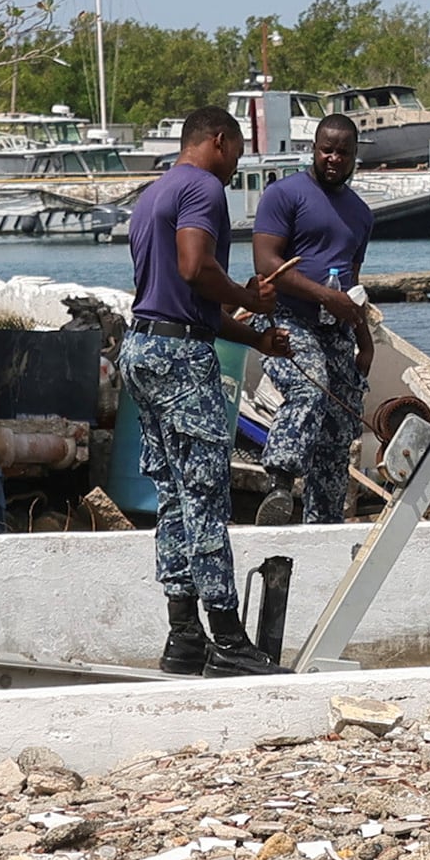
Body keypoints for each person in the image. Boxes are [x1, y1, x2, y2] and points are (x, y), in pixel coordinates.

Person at [122, 104, 293, 676]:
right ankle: (227, 639)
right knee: (205, 497)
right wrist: (252, 299)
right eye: (238, 152)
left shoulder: (151, 196)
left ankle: (183, 637)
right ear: (218, 141)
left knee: (171, 498)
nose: (236, 166)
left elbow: (180, 301)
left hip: (144, 349)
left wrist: (253, 336)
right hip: (179, 361)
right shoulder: (202, 188)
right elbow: (196, 269)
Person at [244, 111, 385, 522]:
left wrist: (365, 338)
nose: (334, 159)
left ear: (355, 155)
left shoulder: (361, 213)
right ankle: (280, 482)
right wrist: (324, 295)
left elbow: (352, 282)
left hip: (336, 326)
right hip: (287, 317)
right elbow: (265, 262)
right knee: (311, 388)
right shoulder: (284, 195)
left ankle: (324, 520)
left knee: (341, 423)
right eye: (327, 150)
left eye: (343, 152)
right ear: (314, 149)